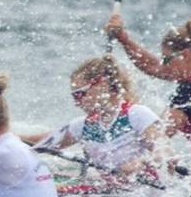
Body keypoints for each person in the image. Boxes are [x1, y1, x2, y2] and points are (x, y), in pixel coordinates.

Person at [106, 16, 191, 177]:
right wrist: (124, 40)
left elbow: (159, 134)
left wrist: (114, 148)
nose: (164, 64)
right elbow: (155, 67)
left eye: (166, 59)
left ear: (185, 55)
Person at [19, 55, 164, 183]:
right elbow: (38, 145)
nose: (77, 102)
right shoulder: (82, 126)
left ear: (103, 84)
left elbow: (163, 151)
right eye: (74, 96)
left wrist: (140, 163)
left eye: (80, 94)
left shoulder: (137, 115)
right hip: (109, 195)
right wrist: (4, 137)